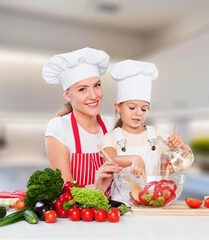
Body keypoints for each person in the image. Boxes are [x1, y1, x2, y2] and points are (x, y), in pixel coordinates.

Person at [42, 47, 122, 194]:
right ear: (67, 95)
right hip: (79, 215)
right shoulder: (59, 127)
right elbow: (65, 192)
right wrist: (96, 188)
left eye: (97, 86)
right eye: (82, 89)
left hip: (117, 213)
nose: (93, 96)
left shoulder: (113, 125)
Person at [102, 60, 189, 184]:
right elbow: (110, 159)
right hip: (122, 202)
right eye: (132, 108)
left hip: (152, 200)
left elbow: (184, 156)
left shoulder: (156, 134)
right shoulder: (111, 137)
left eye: (144, 109)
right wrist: (134, 159)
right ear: (118, 107)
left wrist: (181, 145)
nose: (138, 113)